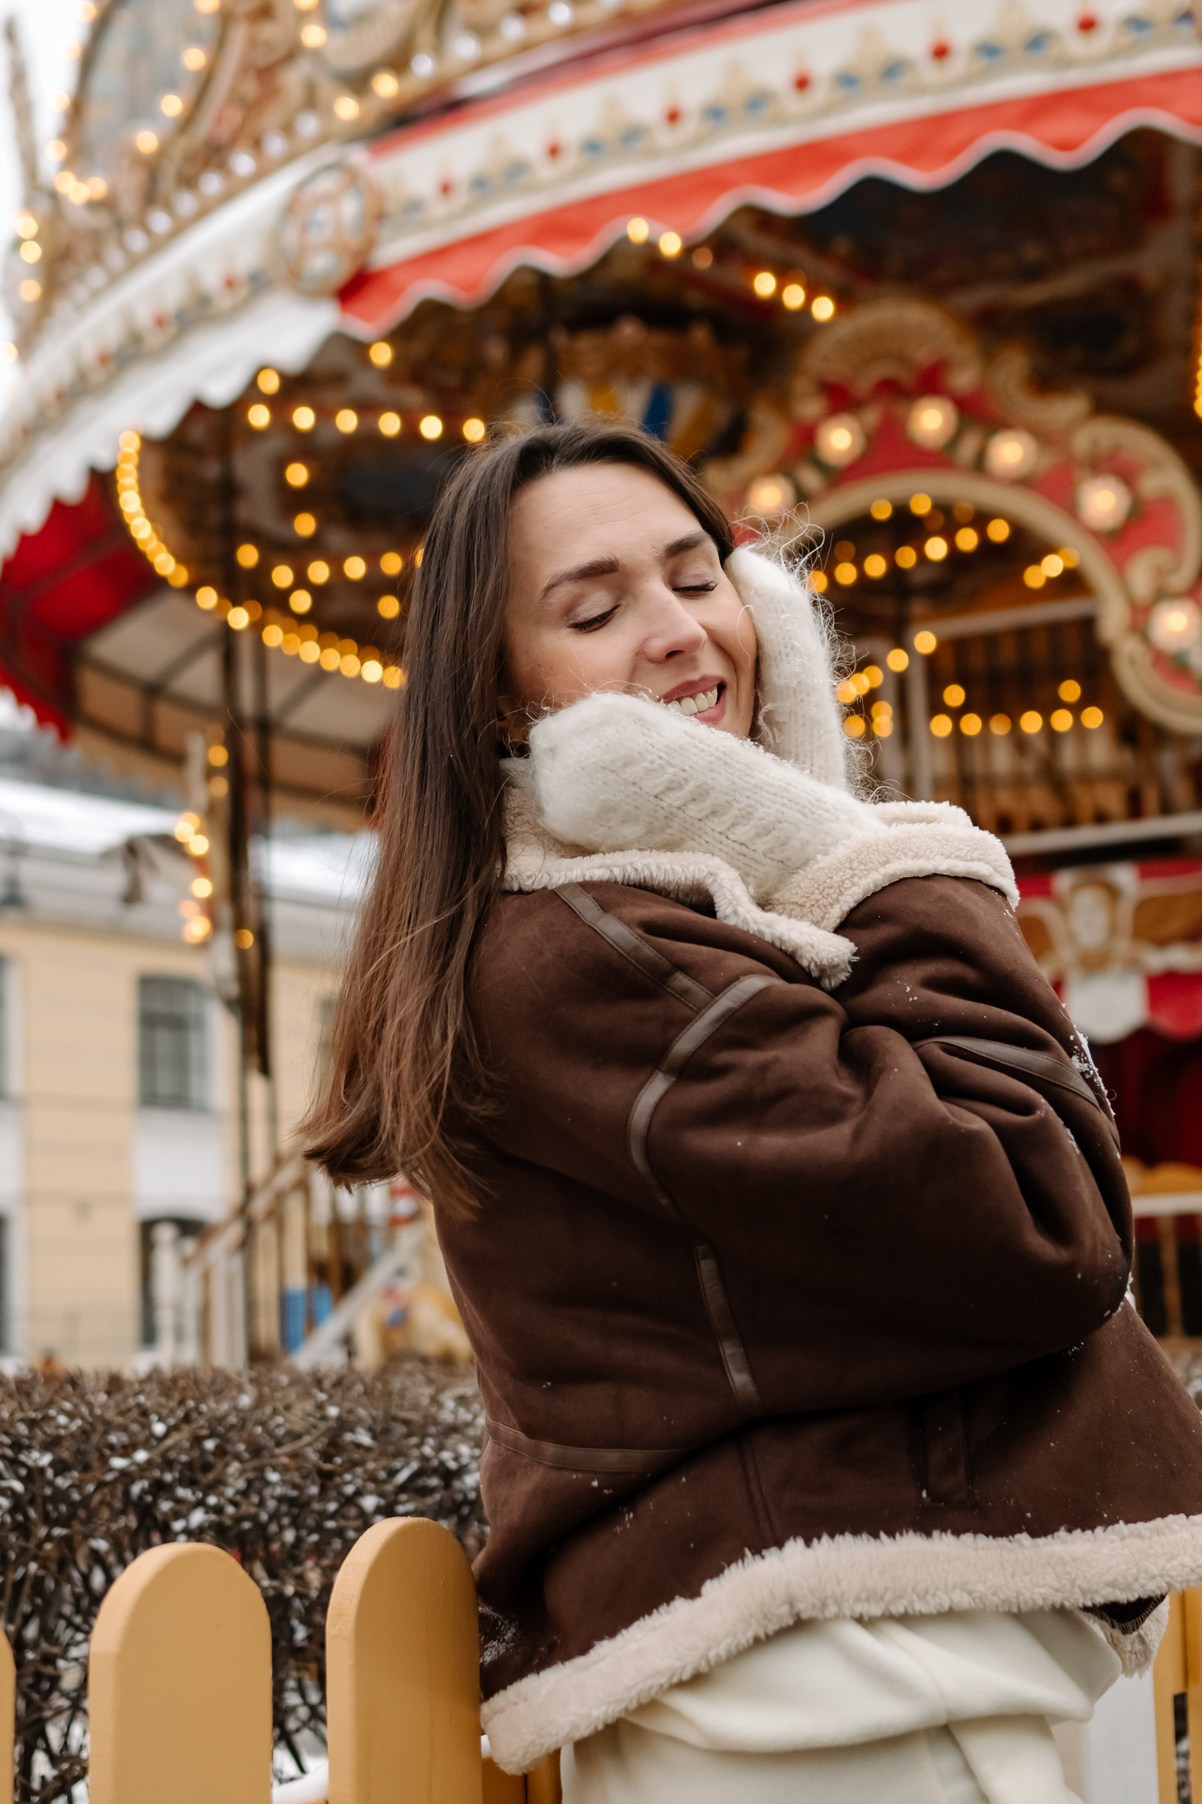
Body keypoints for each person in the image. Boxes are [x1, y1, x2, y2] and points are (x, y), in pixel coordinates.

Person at [303, 421, 1202, 1803]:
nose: (677, 632)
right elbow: (1038, 1222)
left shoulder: (657, 915)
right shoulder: (581, 952)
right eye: (593, 609)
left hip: (887, 1651)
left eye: (696, 575)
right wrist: (865, 857)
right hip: (834, 1686)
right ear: (494, 698)